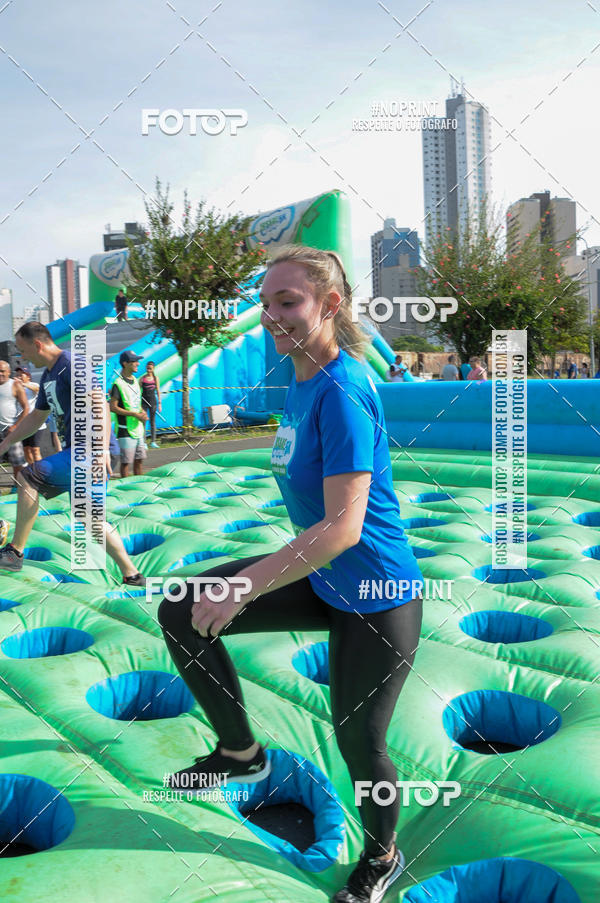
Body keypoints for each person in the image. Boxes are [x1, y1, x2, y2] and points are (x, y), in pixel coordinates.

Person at [158, 245, 424, 903]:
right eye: (265, 303)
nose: (271, 316)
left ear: (330, 305)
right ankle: (241, 753)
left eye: (288, 302)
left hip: (376, 593)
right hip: (325, 579)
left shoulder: (343, 390)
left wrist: (244, 587)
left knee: (359, 741)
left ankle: (382, 855)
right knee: (182, 605)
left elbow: (344, 528)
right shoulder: (302, 382)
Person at [0, 322, 145, 586]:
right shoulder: (48, 375)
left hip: (90, 450)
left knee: (28, 477)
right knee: (89, 518)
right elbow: (36, 417)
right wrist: (7, 442)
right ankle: (132, 574)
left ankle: (14, 552)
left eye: (22, 350)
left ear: (38, 344)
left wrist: (101, 449)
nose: (21, 357)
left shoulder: (72, 364)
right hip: (79, 452)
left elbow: (100, 403)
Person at [110, 350, 148, 477]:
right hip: (125, 430)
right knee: (126, 463)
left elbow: (136, 402)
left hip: (138, 428)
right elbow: (112, 407)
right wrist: (134, 414)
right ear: (125, 363)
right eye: (134, 361)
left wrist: (142, 411)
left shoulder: (136, 381)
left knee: (139, 460)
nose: (138, 363)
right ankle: (125, 486)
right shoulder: (118, 384)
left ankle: (139, 484)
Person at [0, 360, 28, 481]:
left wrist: (16, 426)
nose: (0, 373)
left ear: (8, 372)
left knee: (17, 462)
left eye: (2, 371)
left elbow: (26, 408)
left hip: (10, 430)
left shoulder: (15, 385)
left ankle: (18, 487)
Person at [139, 360, 162, 448]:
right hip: (144, 402)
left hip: (153, 402)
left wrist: (160, 403)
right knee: (143, 422)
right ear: (146, 368)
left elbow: (158, 390)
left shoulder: (156, 378)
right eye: (148, 368)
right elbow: (138, 391)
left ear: (153, 369)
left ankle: (153, 442)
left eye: (150, 368)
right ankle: (144, 442)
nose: (149, 369)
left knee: (153, 422)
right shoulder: (142, 379)